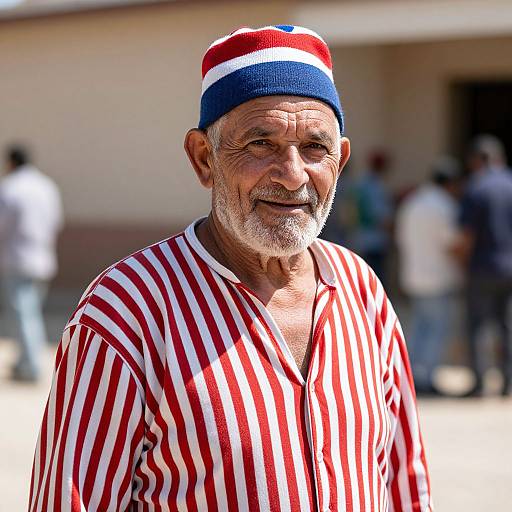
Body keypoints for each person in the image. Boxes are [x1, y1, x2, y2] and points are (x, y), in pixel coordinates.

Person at [29, 26, 432, 511]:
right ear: (204, 158)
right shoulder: (126, 310)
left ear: (340, 161)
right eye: (260, 144)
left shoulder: (360, 290)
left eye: (314, 148)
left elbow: (406, 486)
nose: (292, 173)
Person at [396, 156, 463, 396]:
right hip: (437, 277)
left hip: (413, 274)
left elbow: (401, 240)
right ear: (451, 183)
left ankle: (411, 376)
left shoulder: (413, 202)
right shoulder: (444, 205)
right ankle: (426, 379)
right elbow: (452, 244)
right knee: (435, 330)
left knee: (419, 328)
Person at [0, 145, 63, 382]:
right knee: (31, 311)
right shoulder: (47, 186)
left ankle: (30, 365)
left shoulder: (9, 188)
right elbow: (57, 220)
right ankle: (24, 360)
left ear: (11, 163)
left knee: (23, 314)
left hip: (17, 259)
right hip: (43, 258)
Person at [458, 135, 512, 397]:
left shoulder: (476, 188)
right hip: (509, 267)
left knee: (478, 326)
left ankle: (480, 383)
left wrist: (461, 263)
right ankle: (507, 382)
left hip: (482, 266)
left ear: (479, 159)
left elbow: (468, 235)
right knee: (507, 325)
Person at [351, 149, 393, 284]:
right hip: (374, 240)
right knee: (374, 282)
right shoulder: (375, 186)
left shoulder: (362, 182)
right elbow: (380, 216)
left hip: (360, 237)